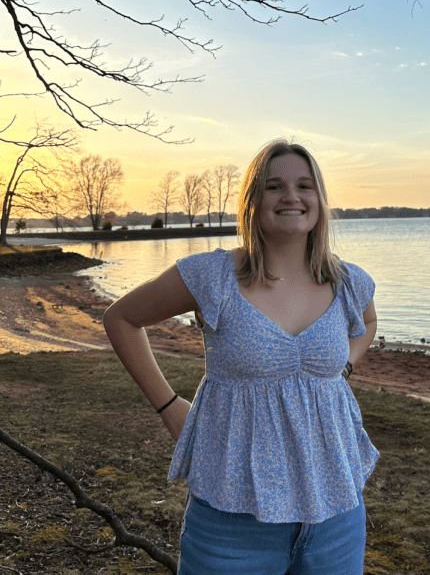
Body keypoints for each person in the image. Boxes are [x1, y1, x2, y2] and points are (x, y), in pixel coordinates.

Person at [103, 139, 380, 574]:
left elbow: (368, 322)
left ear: (320, 200)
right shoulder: (214, 276)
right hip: (234, 520)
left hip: (336, 513)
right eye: (275, 186)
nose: (292, 196)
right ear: (253, 200)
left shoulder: (346, 280)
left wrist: (342, 366)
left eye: (305, 185)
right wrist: (169, 405)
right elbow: (122, 318)